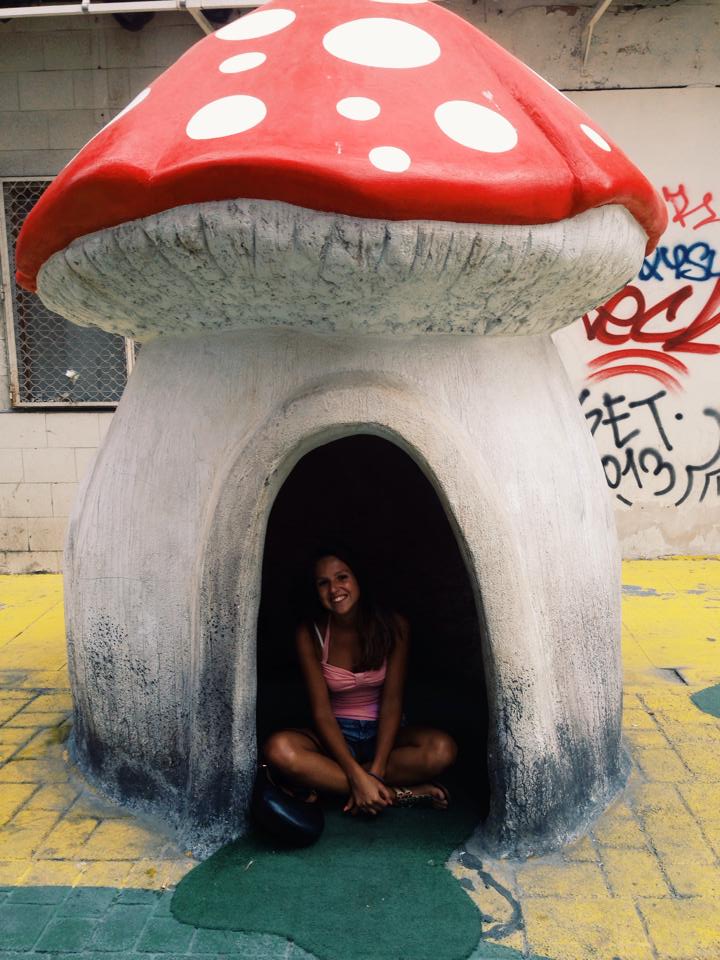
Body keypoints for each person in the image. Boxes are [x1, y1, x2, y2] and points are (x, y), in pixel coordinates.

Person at [263, 548, 457, 816]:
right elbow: (321, 711)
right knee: (279, 750)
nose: (334, 589)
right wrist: (356, 774)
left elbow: (392, 702)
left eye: (342, 577)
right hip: (335, 738)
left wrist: (376, 771)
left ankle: (352, 787)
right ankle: (396, 795)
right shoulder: (310, 633)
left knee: (441, 750)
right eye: (323, 583)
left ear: (359, 579)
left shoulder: (394, 626)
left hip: (383, 737)